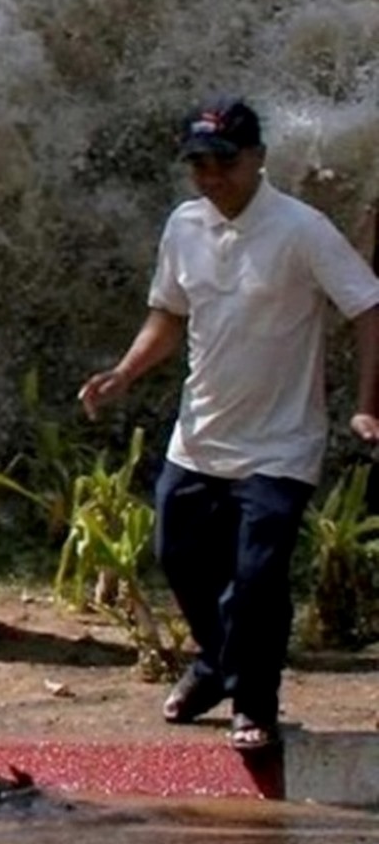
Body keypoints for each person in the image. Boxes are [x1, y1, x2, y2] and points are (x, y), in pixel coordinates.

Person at [77, 95, 379, 754]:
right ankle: (217, 664)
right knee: (176, 556)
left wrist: (367, 403)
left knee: (259, 578)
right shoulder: (185, 225)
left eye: (223, 163)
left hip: (281, 443)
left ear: (258, 158)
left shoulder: (303, 230)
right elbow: (168, 313)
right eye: (198, 166)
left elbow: (368, 307)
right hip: (200, 434)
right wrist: (125, 373)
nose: (211, 178)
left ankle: (255, 705)